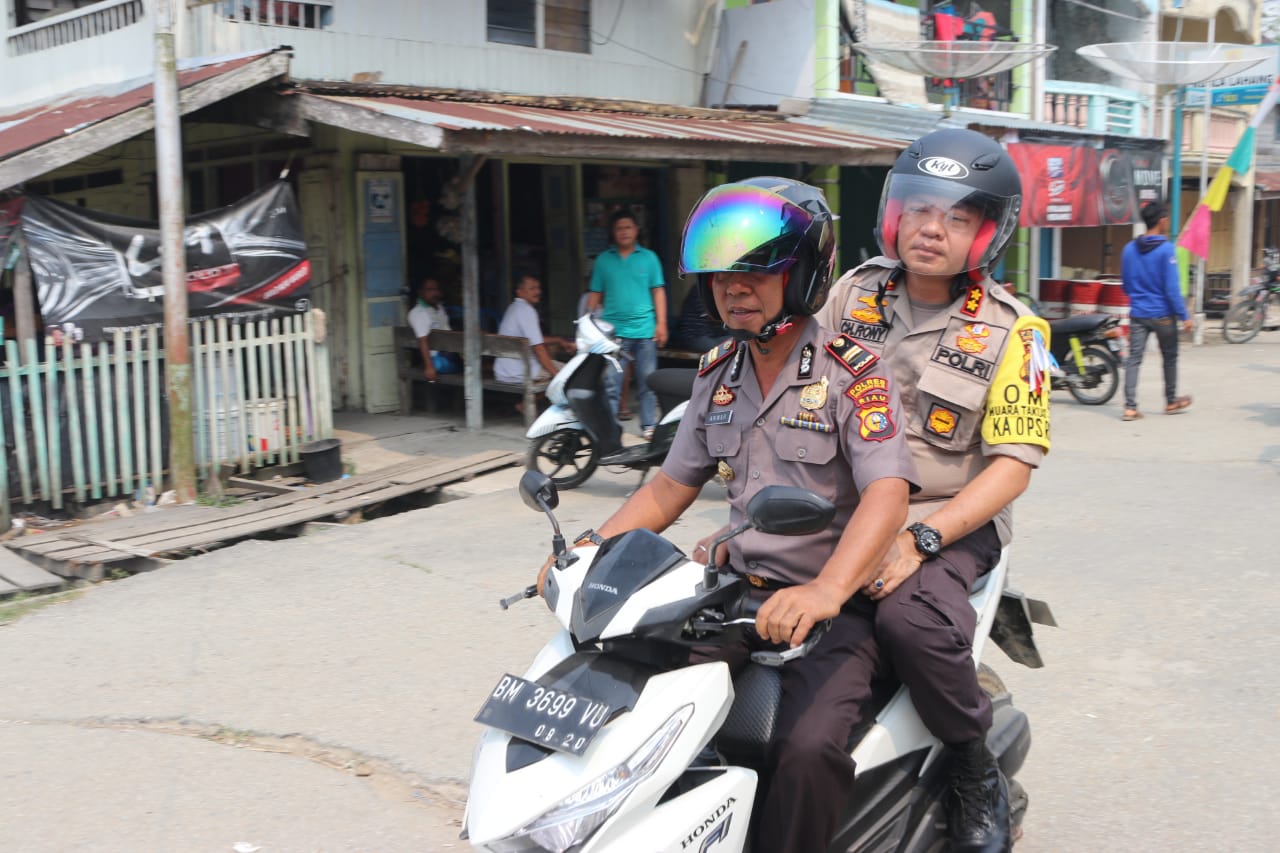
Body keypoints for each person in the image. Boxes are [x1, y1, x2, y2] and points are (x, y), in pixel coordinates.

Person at [540, 178, 917, 853]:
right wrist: (587, 551)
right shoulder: (718, 372)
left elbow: (889, 492)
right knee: (633, 698)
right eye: (720, 275)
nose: (733, 288)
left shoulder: (856, 373)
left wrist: (827, 589)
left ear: (800, 274)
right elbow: (666, 490)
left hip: (833, 607)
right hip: (735, 592)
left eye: (755, 270)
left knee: (806, 749)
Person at [819, 127, 1052, 853]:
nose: (932, 229)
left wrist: (921, 538)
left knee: (908, 622)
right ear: (895, 211)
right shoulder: (849, 293)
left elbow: (1011, 468)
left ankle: (973, 767)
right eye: (921, 208)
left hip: (946, 519)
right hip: (844, 504)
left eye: (957, 217)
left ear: (987, 231)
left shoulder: (1017, 331)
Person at [586, 209, 667, 438]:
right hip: (614, 333)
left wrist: (661, 324)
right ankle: (611, 428)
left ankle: (649, 425)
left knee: (648, 382)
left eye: (628, 227)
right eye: (619, 228)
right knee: (612, 383)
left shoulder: (649, 258)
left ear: (636, 231)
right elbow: (594, 294)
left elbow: (658, 292)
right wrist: (586, 325)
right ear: (613, 233)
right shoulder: (603, 260)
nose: (624, 232)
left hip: (645, 330)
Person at [1120, 201, 1193, 421]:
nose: (1168, 221)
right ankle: (1171, 401)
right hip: (1162, 315)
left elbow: (1126, 284)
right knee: (1169, 358)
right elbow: (1172, 289)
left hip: (1138, 314)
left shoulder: (1129, 249)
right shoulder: (1166, 250)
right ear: (1161, 220)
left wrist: (1140, 297)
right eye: (1167, 218)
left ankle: (1130, 407)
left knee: (1134, 359)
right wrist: (1184, 316)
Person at [493, 274, 566, 385]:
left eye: (538, 288)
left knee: (554, 365)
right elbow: (539, 349)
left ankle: (524, 403)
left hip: (503, 371)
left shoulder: (513, 307)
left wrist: (558, 340)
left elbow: (535, 339)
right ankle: (525, 403)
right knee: (569, 373)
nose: (537, 292)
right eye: (532, 288)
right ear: (519, 291)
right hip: (522, 373)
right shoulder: (527, 311)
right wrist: (557, 376)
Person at [406, 276, 460, 382]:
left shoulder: (439, 308)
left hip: (450, 352)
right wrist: (429, 366)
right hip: (437, 359)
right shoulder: (419, 313)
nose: (435, 293)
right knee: (467, 366)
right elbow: (423, 340)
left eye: (437, 289)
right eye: (430, 290)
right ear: (421, 292)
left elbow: (448, 331)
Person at [673, 283, 726, 353]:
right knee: (723, 349)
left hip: (710, 336)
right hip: (694, 337)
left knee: (735, 342)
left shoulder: (711, 292)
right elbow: (713, 316)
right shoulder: (700, 291)